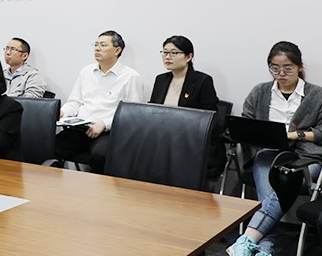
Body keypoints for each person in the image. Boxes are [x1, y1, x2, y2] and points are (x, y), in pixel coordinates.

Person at [226, 41, 322, 256]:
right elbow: (247, 122)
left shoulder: (317, 94)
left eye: (287, 68)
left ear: (300, 67)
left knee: (282, 184)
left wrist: (293, 135)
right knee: (271, 184)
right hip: (268, 153)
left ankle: (248, 241)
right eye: (274, 68)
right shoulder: (260, 92)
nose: (281, 74)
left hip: (306, 158)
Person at [56, 30, 143, 173]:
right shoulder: (86, 71)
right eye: (95, 45)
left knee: (100, 156)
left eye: (103, 45)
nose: (97, 48)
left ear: (117, 50)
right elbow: (75, 101)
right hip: (81, 128)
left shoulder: (130, 77)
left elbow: (132, 114)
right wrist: (63, 112)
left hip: (109, 132)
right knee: (47, 145)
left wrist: (104, 124)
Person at [149, 35, 222, 175]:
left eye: (174, 53)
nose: (167, 57)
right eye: (165, 52)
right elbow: (153, 112)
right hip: (163, 138)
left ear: (189, 57)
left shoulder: (202, 81)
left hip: (191, 141)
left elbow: (209, 118)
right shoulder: (161, 80)